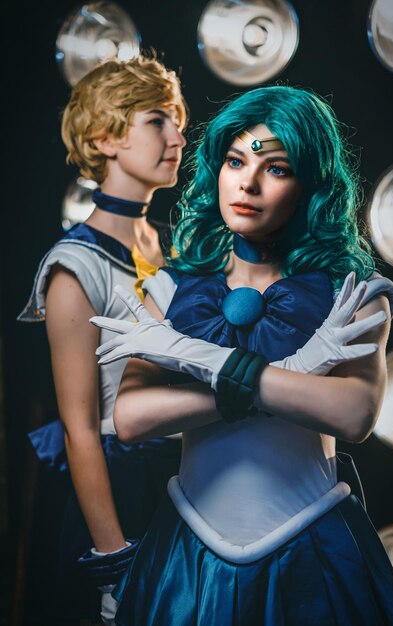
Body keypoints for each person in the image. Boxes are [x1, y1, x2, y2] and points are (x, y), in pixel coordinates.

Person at [93, 85, 393, 625]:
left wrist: (209, 363)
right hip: (188, 553)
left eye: (277, 168)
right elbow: (129, 419)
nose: (248, 182)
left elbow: (353, 413)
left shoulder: (356, 291)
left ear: (310, 183)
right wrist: (292, 379)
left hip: (313, 548)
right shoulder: (171, 288)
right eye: (235, 160)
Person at [18, 54, 187, 625]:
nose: (178, 134)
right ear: (105, 138)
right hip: (119, 491)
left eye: (178, 119)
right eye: (157, 121)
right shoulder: (73, 266)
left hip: (187, 479)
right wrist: (114, 561)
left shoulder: (171, 247)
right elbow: (80, 429)